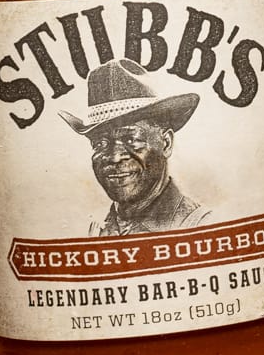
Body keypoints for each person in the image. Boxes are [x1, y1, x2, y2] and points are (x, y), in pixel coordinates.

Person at [60, 57, 212, 236]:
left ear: (166, 143)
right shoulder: (96, 230)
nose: (114, 157)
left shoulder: (200, 226)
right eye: (100, 143)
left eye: (131, 139)